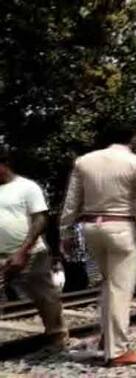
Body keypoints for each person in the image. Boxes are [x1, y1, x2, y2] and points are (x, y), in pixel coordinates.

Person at [59, 125, 136, 365]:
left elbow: (71, 203)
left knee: (107, 286)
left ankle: (106, 339)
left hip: (91, 228)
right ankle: (117, 351)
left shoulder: (84, 162)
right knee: (120, 290)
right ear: (131, 139)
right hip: (120, 227)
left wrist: (66, 232)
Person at [0, 148, 67, 351]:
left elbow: (40, 219)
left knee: (45, 296)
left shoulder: (27, 187)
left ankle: (57, 338)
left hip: (31, 253)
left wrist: (22, 251)